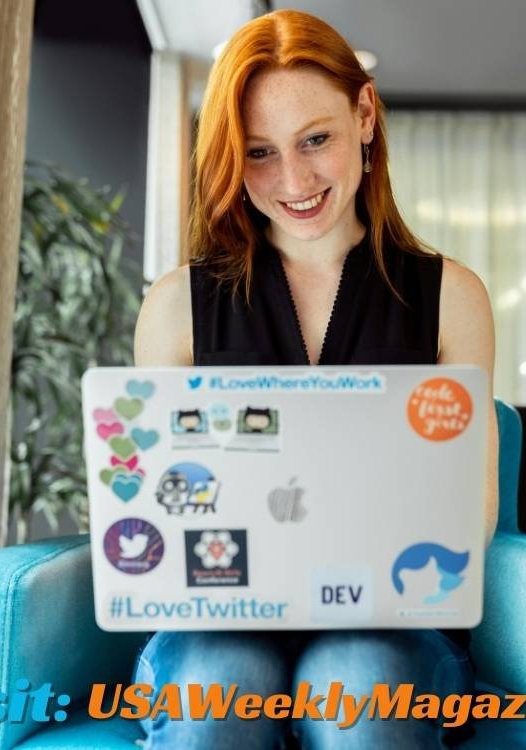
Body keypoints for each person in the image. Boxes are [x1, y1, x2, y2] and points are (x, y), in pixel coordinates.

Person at [132, 9, 498, 748]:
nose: (292, 181)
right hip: (220, 623)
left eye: (316, 140)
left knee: (358, 689)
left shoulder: (450, 297)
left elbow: (471, 507)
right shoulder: (177, 307)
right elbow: (161, 507)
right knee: (219, 693)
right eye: (260, 152)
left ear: (365, 115)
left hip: (393, 622)